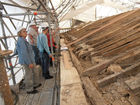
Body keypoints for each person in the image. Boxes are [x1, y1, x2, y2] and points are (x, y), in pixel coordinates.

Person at [14, 26, 41, 94]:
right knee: (28, 75)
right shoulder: (21, 41)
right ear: (19, 33)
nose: (26, 32)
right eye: (24, 31)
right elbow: (24, 53)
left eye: (26, 31)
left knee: (34, 72)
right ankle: (29, 89)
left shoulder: (23, 40)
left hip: (30, 59)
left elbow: (17, 51)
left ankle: (35, 84)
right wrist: (29, 63)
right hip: (27, 61)